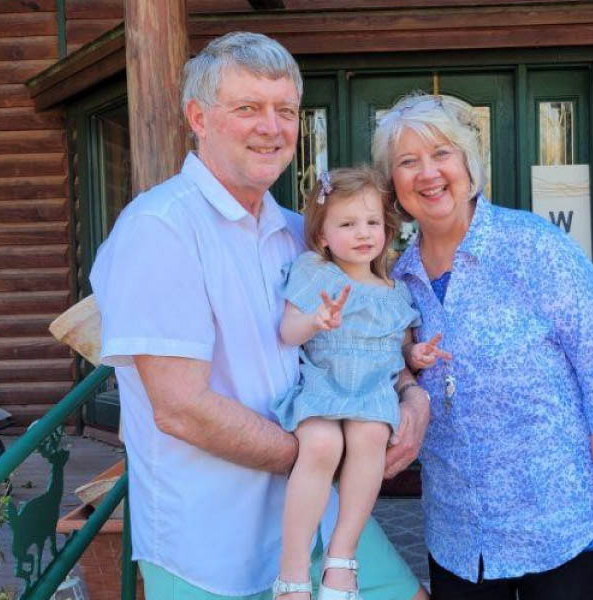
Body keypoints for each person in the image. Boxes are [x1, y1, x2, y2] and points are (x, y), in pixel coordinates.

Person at [89, 32, 429, 600]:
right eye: (248, 108)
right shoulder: (160, 229)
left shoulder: (303, 235)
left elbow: (361, 340)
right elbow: (181, 410)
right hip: (212, 543)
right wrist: (332, 453)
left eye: (285, 111)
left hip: (319, 518)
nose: (271, 128)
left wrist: (411, 398)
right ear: (198, 117)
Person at [372, 93, 593, 600]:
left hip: (560, 521)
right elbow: (385, 369)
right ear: (392, 183)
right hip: (461, 533)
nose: (428, 173)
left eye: (442, 154)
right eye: (407, 162)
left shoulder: (535, 246)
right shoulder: (396, 281)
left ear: (468, 164)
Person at [270, 167, 449, 600]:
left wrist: (415, 356)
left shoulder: (393, 291)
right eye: (347, 224)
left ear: (386, 229)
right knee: (320, 444)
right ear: (322, 236)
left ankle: (341, 560)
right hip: (324, 384)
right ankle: (292, 571)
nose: (363, 233)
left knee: (370, 433)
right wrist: (317, 320)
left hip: (370, 392)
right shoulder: (317, 271)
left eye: (372, 222)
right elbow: (287, 331)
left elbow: (399, 348)